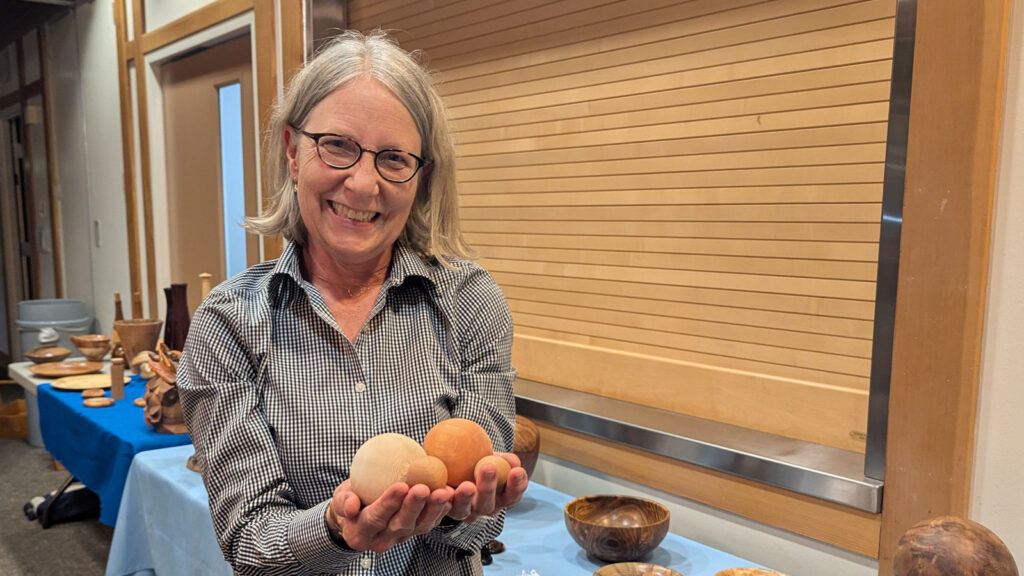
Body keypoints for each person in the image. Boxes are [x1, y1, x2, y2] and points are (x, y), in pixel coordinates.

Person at [177, 29, 527, 576]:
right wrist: (334, 529)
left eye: (394, 158)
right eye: (337, 145)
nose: (363, 185)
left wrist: (459, 514)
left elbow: (483, 504)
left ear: (421, 177)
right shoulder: (228, 324)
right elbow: (249, 542)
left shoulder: (469, 302)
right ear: (293, 152)